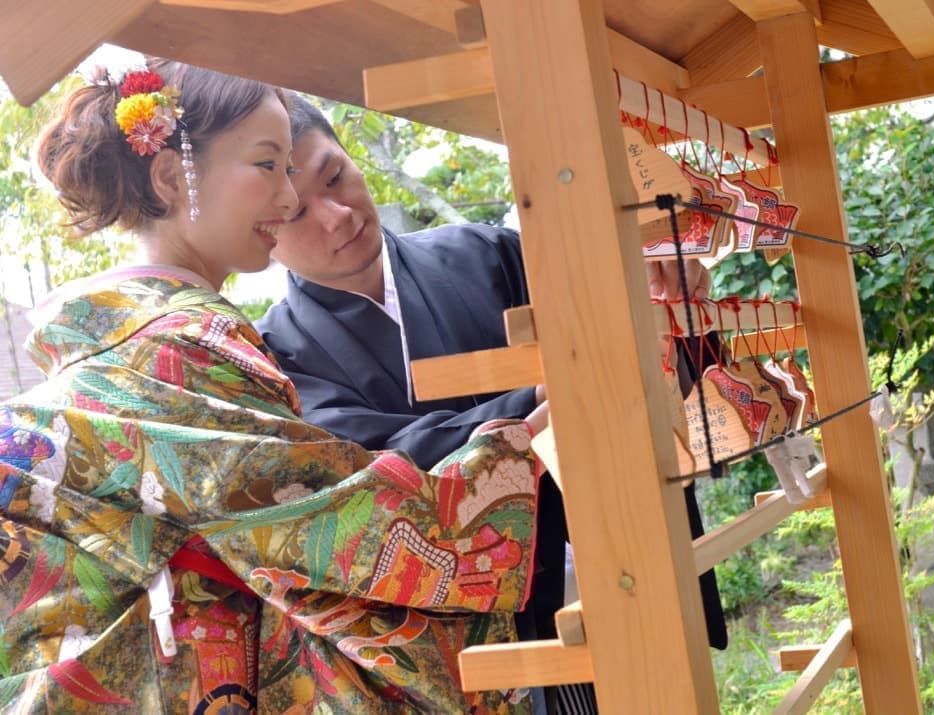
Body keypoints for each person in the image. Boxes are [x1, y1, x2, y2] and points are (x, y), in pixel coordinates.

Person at [0, 59, 545, 713]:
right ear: (173, 177)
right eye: (268, 166)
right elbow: (339, 528)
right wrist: (533, 432)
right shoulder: (179, 345)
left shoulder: (139, 333)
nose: (288, 202)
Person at [255, 96, 727, 677]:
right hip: (461, 625)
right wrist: (534, 403)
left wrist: (667, 305)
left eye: (337, 176)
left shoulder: (486, 254)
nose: (337, 215)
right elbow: (363, 463)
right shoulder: (277, 351)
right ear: (262, 227)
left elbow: (637, 354)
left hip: (621, 542)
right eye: (297, 213)